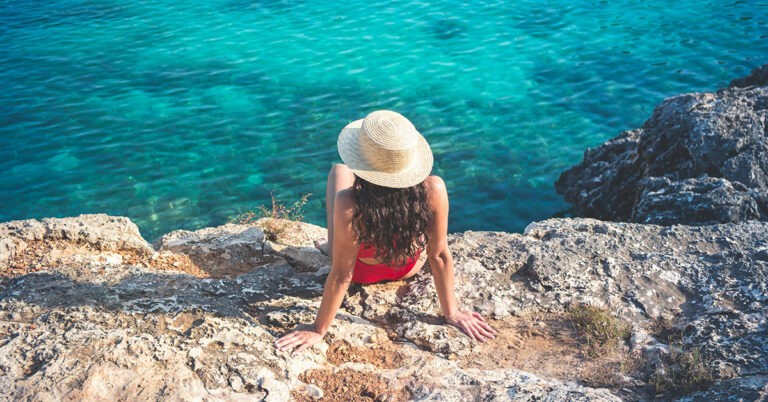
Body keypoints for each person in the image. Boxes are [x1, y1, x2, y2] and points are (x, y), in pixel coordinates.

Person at [274, 110, 497, 354]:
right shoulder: (434, 188)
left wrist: (318, 329)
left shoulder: (349, 202)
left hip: (361, 272)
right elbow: (439, 255)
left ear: (363, 163)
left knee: (339, 170)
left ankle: (332, 245)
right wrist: (452, 314)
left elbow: (341, 275)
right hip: (407, 267)